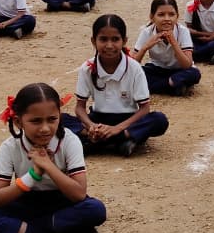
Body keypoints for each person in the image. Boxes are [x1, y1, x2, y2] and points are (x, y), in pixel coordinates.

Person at [0, 82, 107, 233]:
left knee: (95, 210)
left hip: (61, 203)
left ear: (60, 116)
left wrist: (48, 165)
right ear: (18, 122)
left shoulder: (69, 141)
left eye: (52, 119)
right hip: (25, 203)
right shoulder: (10, 147)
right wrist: (34, 174)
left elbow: (78, 194)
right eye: (36, 121)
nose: (45, 128)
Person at [69, 14, 169, 156]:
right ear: (93, 41)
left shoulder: (134, 68)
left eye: (115, 39)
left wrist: (117, 129)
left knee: (159, 120)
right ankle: (121, 140)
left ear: (124, 41)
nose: (109, 45)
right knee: (60, 119)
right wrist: (91, 126)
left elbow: (144, 108)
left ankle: (98, 142)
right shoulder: (87, 68)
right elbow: (80, 107)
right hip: (98, 121)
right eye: (103, 39)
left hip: (127, 120)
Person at [131, 0, 201, 95]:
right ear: (152, 17)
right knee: (135, 74)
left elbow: (187, 64)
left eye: (171, 14)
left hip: (179, 70)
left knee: (194, 74)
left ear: (177, 16)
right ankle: (172, 86)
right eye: (161, 15)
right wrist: (145, 47)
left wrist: (174, 43)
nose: (167, 19)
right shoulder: (147, 32)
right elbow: (133, 64)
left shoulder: (183, 31)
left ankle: (162, 86)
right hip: (157, 69)